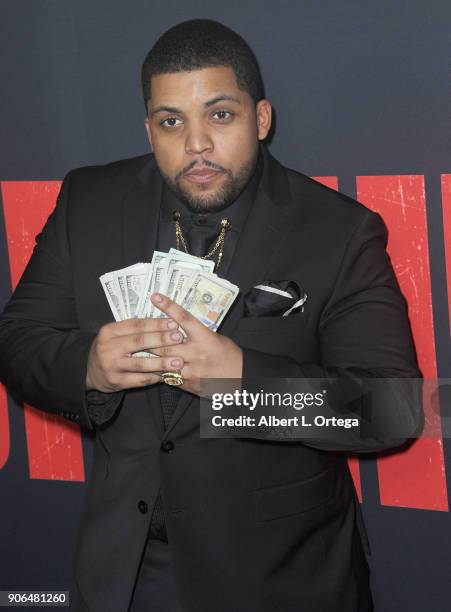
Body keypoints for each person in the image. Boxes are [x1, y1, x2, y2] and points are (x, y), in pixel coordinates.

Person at [0, 19, 422, 612]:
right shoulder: (87, 201)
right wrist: (87, 365)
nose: (195, 143)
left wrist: (243, 383)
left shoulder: (339, 232)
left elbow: (395, 409)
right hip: (126, 573)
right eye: (172, 121)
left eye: (220, 115)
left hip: (280, 578)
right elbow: (18, 342)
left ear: (261, 118)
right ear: (149, 130)